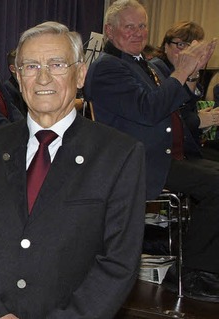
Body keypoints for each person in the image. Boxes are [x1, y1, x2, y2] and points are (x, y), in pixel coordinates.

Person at [0, 21, 146, 319]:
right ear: (17, 76)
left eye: (56, 64)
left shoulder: (119, 154)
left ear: (80, 74)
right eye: (30, 66)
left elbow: (119, 261)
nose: (42, 78)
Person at [84, 0, 219, 302]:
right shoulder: (108, 68)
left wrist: (191, 74)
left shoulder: (137, 63)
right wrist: (180, 73)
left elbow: (168, 103)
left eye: (142, 26)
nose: (137, 32)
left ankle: (207, 265)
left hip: (160, 154)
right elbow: (149, 110)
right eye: (128, 26)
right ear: (109, 30)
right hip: (137, 163)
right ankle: (190, 273)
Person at [151, 21, 219, 153]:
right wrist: (199, 120)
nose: (186, 52)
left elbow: (186, 111)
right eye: (180, 44)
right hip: (164, 151)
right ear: (166, 46)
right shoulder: (156, 69)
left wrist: (202, 120)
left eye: (192, 47)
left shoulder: (189, 72)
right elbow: (166, 118)